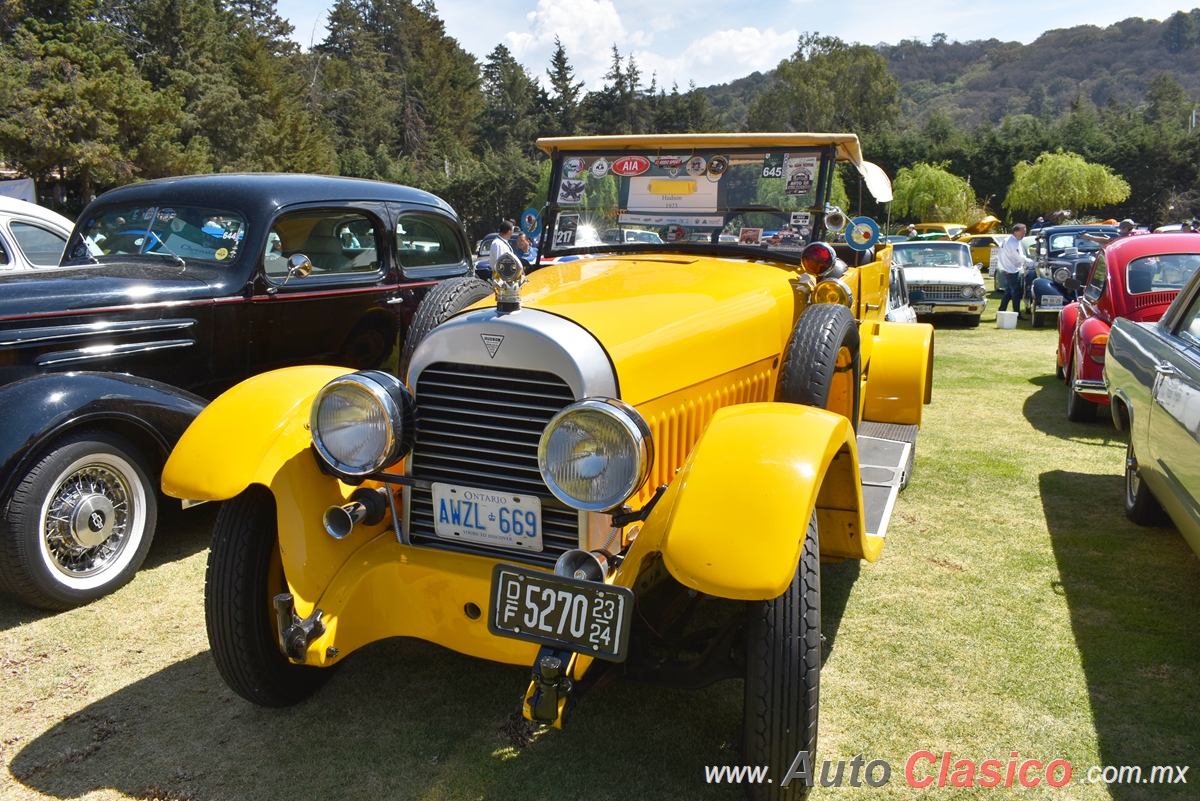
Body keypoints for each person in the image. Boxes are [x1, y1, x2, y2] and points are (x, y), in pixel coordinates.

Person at [997, 223, 1038, 320]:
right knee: (1016, 293)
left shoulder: (1008, 240)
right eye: (1023, 233)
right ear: (1016, 232)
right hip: (1011, 271)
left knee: (1008, 292)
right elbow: (1022, 259)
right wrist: (1036, 264)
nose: (1024, 235)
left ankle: (1001, 311)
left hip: (1007, 269)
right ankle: (1016, 313)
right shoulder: (1013, 243)